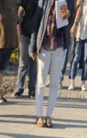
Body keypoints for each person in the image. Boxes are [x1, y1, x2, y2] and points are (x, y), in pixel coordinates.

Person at [30, 0, 76, 128]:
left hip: (59, 45)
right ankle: (39, 115)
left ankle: (49, 115)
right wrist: (32, 47)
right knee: (41, 82)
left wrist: (70, 15)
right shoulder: (44, 1)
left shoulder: (68, 1)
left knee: (55, 83)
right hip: (44, 45)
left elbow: (72, 20)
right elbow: (36, 23)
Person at [14, 0, 40, 98]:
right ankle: (19, 88)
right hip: (25, 33)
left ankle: (32, 89)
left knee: (34, 62)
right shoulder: (25, 1)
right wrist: (18, 32)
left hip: (37, 34)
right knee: (23, 62)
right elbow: (19, 13)